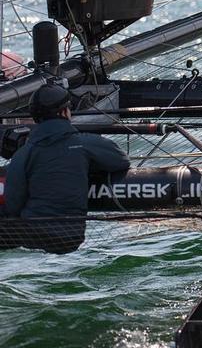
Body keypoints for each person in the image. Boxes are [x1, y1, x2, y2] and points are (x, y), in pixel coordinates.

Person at [1, 84, 131, 254]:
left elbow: (12, 205)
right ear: (65, 112)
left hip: (31, 235)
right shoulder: (86, 143)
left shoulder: (24, 154)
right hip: (71, 237)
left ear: (35, 118)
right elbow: (121, 161)